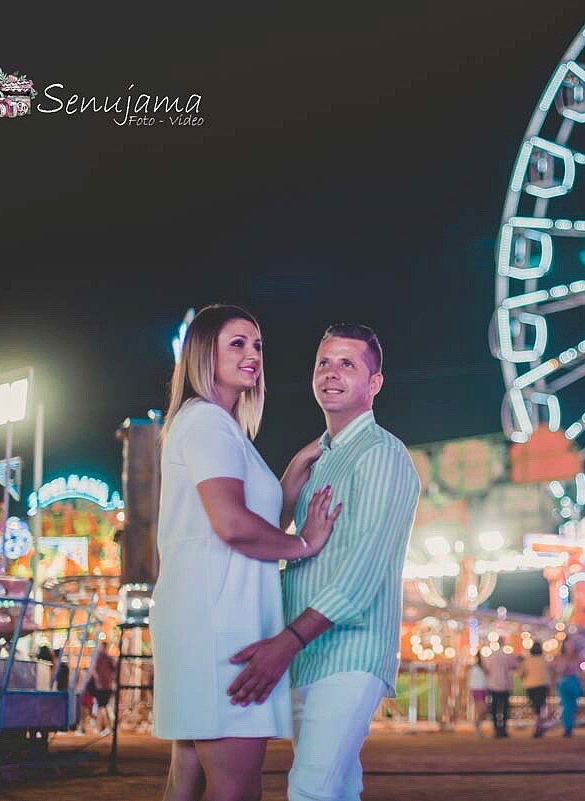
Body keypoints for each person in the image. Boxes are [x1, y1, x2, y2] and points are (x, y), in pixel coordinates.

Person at [151, 305, 341, 801]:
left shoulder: (221, 428)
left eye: (257, 345)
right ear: (202, 353)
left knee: (188, 780)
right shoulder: (209, 423)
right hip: (220, 622)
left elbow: (249, 525)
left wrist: (292, 478)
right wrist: (305, 545)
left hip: (208, 613)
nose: (253, 354)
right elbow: (232, 525)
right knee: (236, 789)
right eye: (237, 343)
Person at [224, 323, 419, 801]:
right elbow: (273, 540)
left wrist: (285, 643)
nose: (331, 373)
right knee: (335, 788)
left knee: (311, 789)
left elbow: (361, 575)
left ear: (374, 383)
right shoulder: (320, 460)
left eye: (347, 364)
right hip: (310, 654)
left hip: (350, 653)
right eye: (323, 362)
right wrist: (292, 474)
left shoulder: (380, 455)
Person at [484, 638, 518, 738]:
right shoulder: (507, 656)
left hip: (494, 685)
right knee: (505, 709)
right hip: (505, 685)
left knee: (495, 709)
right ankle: (503, 729)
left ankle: (496, 729)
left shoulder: (491, 656)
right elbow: (514, 666)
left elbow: (487, 669)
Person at [554, 636, 584, 738]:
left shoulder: (578, 656)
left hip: (574, 682)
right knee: (566, 706)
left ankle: (570, 726)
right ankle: (568, 728)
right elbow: (559, 670)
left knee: (573, 706)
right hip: (564, 683)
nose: (570, 645)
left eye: (572, 643)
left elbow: (581, 669)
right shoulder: (561, 657)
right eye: (568, 643)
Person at [521, 641, 552, 737]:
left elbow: (522, 674)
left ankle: (537, 725)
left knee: (535, 707)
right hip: (542, 686)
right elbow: (550, 673)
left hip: (530, 686)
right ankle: (539, 725)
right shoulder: (544, 660)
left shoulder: (527, 660)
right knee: (540, 707)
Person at [467, 653, 488, 737]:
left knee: (481, 710)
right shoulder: (476, 668)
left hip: (480, 689)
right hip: (478, 689)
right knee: (481, 710)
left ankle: (478, 728)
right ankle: (477, 727)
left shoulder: (478, 668)